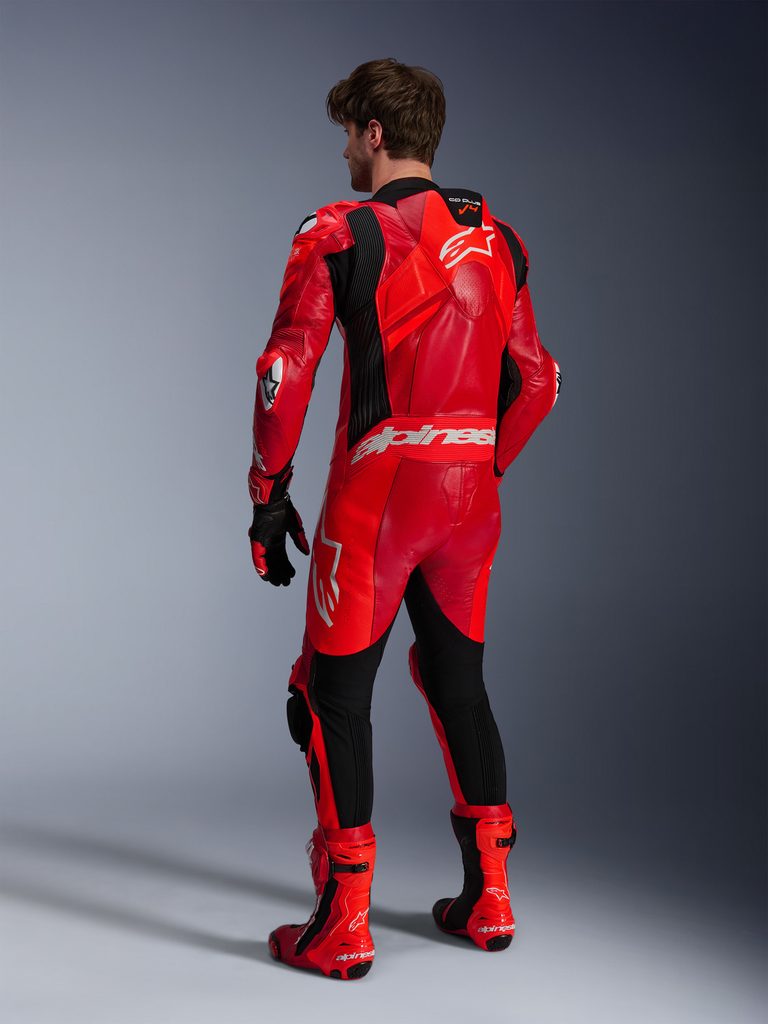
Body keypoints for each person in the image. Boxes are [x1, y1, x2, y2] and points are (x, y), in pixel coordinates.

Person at [247, 58, 561, 981]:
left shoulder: (339, 232)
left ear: (374, 134)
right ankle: (490, 898)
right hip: (471, 500)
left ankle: (343, 925)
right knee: (457, 679)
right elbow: (537, 381)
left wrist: (268, 495)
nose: (345, 151)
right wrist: (483, 463)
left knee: (330, 695)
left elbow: (282, 376)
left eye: (349, 133)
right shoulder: (501, 239)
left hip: (377, 498)